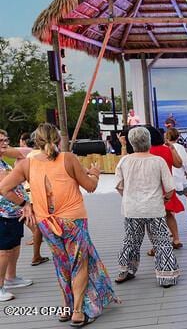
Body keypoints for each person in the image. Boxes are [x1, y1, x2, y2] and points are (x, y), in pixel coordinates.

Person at [0, 123, 118, 324]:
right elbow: (90, 187)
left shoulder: (27, 164)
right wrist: (95, 173)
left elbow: (4, 188)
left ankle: (66, 307)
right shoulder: (68, 158)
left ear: (36, 142)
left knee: (61, 263)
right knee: (79, 263)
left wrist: (25, 204)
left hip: (46, 221)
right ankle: (78, 311)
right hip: (73, 219)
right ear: (58, 139)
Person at [115, 127, 180, 288]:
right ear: (149, 141)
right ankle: (166, 276)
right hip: (154, 208)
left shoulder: (124, 161)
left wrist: (128, 197)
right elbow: (170, 188)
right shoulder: (158, 161)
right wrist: (164, 199)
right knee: (162, 242)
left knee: (131, 241)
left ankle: (126, 270)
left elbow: (119, 185)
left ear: (131, 142)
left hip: (132, 209)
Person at [3, 132, 49, 266]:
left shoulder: (28, 152)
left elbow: (8, 152)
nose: (6, 144)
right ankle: (37, 253)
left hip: (29, 194)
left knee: (35, 224)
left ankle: (36, 253)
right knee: (35, 223)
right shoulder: (40, 154)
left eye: (6, 140)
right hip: (30, 194)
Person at [0, 129, 33, 302]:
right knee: (3, 251)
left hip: (13, 213)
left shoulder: (3, 160)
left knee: (14, 246)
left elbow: (23, 153)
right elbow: (5, 189)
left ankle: (11, 278)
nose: (5, 143)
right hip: (3, 214)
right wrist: (24, 204)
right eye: (0, 141)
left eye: (6, 139)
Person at [147, 126, 185, 251]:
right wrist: (172, 148)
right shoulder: (167, 149)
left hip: (152, 187)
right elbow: (179, 164)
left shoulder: (147, 152)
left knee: (154, 218)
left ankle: (156, 246)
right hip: (167, 185)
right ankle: (176, 239)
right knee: (169, 214)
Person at [165, 128, 187, 227]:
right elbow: (185, 162)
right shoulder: (179, 147)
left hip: (168, 179)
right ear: (178, 137)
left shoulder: (165, 147)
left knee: (170, 203)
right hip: (178, 177)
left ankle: (170, 229)